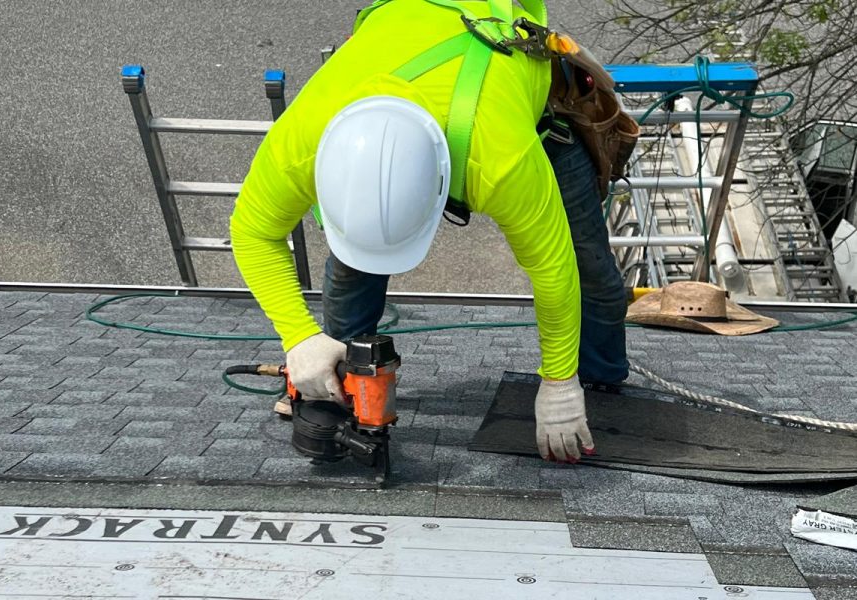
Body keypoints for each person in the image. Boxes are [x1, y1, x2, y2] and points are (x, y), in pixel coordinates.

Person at [230, 0, 627, 463]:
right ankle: (336, 381)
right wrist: (299, 336)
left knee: (590, 267)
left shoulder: (501, 159)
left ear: (445, 183)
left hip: (531, 117)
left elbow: (552, 267)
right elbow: (251, 232)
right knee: (353, 264)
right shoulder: (303, 141)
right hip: (409, 57)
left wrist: (559, 382)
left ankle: (597, 381)